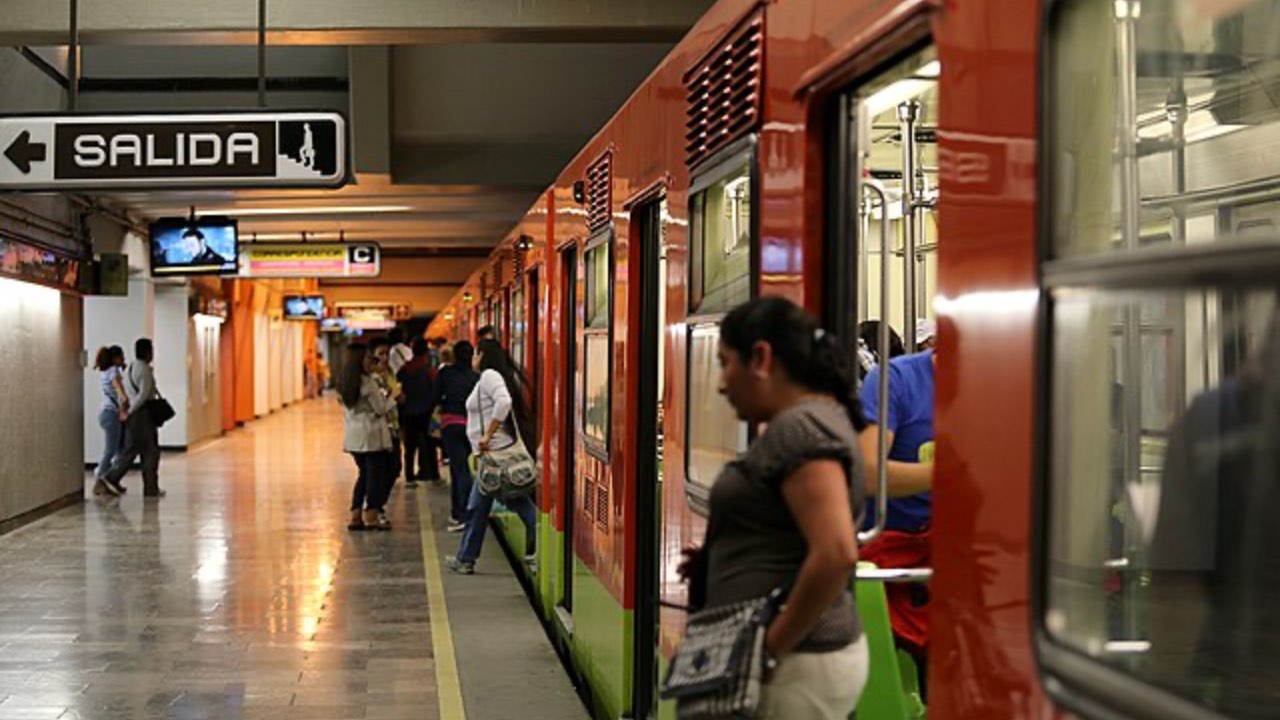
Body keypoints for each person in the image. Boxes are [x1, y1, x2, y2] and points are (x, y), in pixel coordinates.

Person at [677, 297, 868, 718]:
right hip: (802, 659)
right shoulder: (818, 420)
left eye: (725, 363)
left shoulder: (800, 429)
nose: (721, 384)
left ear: (761, 358)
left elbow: (835, 553)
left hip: (797, 662)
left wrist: (768, 649)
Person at [857, 334, 935, 680]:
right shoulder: (895, 381)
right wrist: (951, 474)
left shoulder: (1004, 389)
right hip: (889, 561)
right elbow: (867, 473)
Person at [447, 338, 538, 574]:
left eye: (475, 354)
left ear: (482, 355)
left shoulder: (489, 375)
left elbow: (504, 401)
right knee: (489, 506)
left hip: (496, 458)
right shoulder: (489, 377)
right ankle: (465, 558)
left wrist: (488, 434)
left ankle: (466, 559)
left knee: (480, 507)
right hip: (492, 458)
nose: (473, 359)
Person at [338, 342, 395, 531]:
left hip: (354, 437)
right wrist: (392, 397)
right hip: (371, 436)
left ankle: (356, 515)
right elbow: (380, 409)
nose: (369, 361)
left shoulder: (344, 383)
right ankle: (372, 515)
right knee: (375, 477)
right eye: (367, 358)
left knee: (364, 475)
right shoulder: (368, 383)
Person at [99, 338, 165, 498]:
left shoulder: (131, 367)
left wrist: (128, 410)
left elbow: (129, 392)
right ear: (148, 352)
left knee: (135, 449)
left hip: (135, 415)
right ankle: (112, 478)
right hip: (143, 415)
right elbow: (143, 395)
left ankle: (149, 486)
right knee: (147, 451)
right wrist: (131, 411)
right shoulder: (144, 369)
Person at [428, 341, 479, 531]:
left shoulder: (445, 373)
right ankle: (458, 512)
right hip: (471, 427)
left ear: (454, 355)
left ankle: (463, 514)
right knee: (460, 469)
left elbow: (434, 397)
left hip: (451, 425)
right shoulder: (476, 377)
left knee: (460, 470)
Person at [398, 338, 441, 485]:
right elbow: (435, 391)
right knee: (430, 445)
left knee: (410, 446)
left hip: (408, 412)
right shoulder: (430, 370)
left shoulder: (404, 369)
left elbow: (398, 389)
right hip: (426, 412)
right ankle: (434, 474)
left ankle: (409, 476)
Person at [92, 345, 130, 496]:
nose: (124, 359)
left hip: (106, 413)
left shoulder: (105, 371)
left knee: (118, 449)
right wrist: (124, 402)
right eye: (121, 357)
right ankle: (100, 478)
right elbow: (118, 390)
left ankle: (112, 480)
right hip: (111, 414)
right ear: (115, 358)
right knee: (111, 450)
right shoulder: (113, 371)